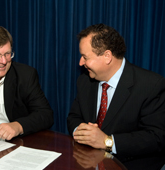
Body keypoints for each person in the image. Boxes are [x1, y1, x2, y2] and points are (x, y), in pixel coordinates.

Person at [67, 23, 165, 168]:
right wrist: (82, 133)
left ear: (107, 56)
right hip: (89, 163)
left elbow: (157, 137)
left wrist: (108, 141)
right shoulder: (85, 81)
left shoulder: (151, 85)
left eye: (85, 57)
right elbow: (74, 117)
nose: (81, 63)